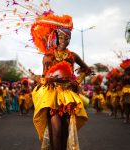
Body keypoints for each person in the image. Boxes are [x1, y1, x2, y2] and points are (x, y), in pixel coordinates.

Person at [31, 13, 91, 150]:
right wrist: (45, 79)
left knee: (66, 129)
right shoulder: (48, 56)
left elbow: (86, 69)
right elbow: (44, 77)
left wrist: (77, 81)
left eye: (68, 37)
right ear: (56, 38)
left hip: (68, 95)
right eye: (62, 37)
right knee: (56, 129)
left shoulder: (73, 56)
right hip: (52, 96)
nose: (65, 40)